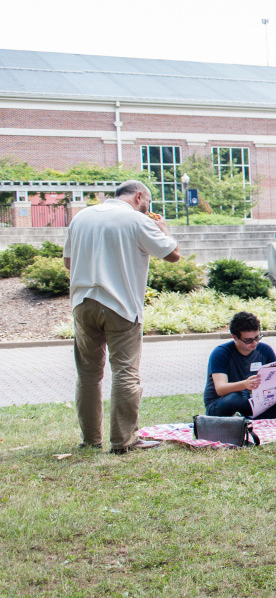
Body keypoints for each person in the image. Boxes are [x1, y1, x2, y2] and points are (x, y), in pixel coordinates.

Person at [63, 180, 180, 454]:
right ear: (139, 196)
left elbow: (68, 262)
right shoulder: (136, 221)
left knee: (88, 376)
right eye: (147, 203)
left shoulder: (81, 217)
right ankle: (124, 440)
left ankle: (91, 439)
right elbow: (173, 255)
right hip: (120, 305)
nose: (147, 208)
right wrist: (164, 229)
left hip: (82, 302)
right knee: (125, 373)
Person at [202, 311, 276, 419]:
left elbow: (274, 383)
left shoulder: (265, 350)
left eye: (257, 337)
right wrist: (245, 384)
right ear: (235, 337)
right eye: (248, 340)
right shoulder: (221, 353)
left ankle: (248, 418)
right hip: (223, 402)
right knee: (235, 398)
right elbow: (220, 389)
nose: (254, 343)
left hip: (257, 400)